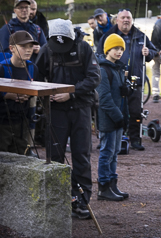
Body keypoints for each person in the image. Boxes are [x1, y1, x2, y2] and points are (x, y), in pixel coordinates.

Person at [36, 19, 100, 220]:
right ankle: (57, 199)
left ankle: (82, 201)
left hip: (80, 108)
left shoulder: (84, 48)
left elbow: (94, 78)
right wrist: (46, 95)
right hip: (55, 111)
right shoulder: (46, 49)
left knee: (81, 155)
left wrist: (70, 93)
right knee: (54, 156)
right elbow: (37, 77)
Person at [96, 9, 155, 151]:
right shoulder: (108, 35)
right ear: (117, 20)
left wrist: (148, 53)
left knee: (135, 111)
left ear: (132, 20)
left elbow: (153, 53)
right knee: (113, 108)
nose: (126, 20)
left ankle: (135, 139)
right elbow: (99, 55)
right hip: (114, 79)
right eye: (123, 18)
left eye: (128, 18)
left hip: (136, 80)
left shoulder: (141, 36)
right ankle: (108, 138)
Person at [96, 34, 130, 201]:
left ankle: (112, 183)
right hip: (109, 119)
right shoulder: (104, 69)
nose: (119, 52)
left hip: (118, 118)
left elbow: (120, 96)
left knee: (115, 152)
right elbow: (104, 98)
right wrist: (118, 117)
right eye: (116, 48)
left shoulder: (118, 69)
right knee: (107, 152)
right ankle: (103, 186)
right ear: (108, 49)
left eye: (121, 49)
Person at [0, 31, 41, 155]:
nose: (28, 50)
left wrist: (28, 94)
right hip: (2, 122)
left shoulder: (33, 68)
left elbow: (37, 89)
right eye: (23, 47)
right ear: (11, 48)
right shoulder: (2, 68)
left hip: (23, 123)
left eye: (30, 46)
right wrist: (6, 95)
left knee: (21, 156)